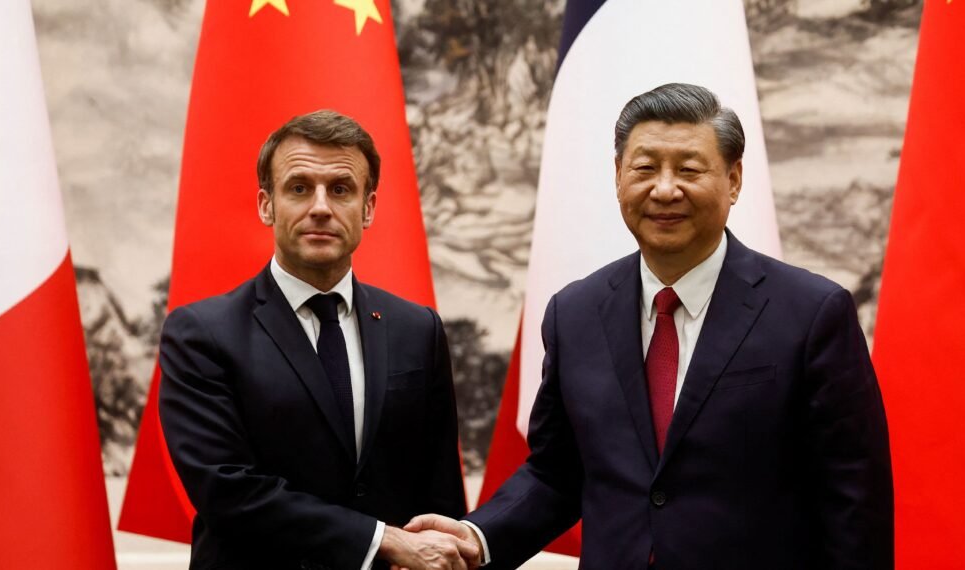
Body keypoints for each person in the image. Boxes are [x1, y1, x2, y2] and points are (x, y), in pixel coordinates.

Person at [408, 83, 894, 569]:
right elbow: (557, 473)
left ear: (734, 179)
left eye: (688, 169)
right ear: (618, 176)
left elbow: (853, 498)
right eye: (644, 168)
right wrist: (477, 537)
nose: (664, 189)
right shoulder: (575, 313)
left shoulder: (811, 313)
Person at [159, 110, 476, 570]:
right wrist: (379, 541)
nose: (321, 206)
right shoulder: (201, 334)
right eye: (300, 187)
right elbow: (227, 490)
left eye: (341, 189)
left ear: (367, 208)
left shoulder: (418, 329)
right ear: (267, 205)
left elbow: (440, 494)